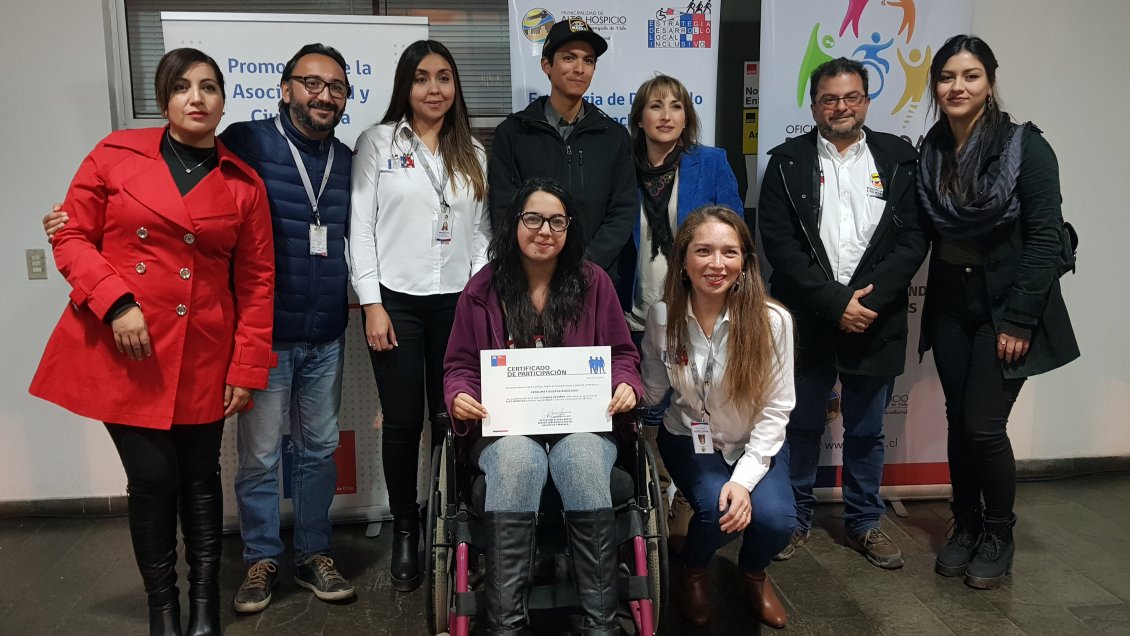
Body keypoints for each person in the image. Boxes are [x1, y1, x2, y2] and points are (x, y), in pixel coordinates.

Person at [43, 43, 357, 612]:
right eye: (311, 82)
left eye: (336, 86)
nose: (323, 94)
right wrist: (108, 289)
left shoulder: (343, 161)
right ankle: (257, 560)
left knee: (314, 451)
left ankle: (309, 555)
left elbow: (272, 268)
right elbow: (80, 231)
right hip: (210, 338)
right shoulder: (243, 144)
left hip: (305, 333)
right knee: (251, 460)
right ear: (283, 89)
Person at [29, 48, 275, 636]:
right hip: (128, 349)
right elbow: (72, 239)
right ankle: (162, 607)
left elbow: (258, 281)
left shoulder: (243, 184)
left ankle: (204, 607)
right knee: (153, 479)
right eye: (184, 87)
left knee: (199, 476)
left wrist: (246, 366)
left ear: (223, 100)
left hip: (205, 352)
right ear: (164, 98)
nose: (198, 97)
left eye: (210, 87)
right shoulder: (113, 156)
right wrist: (117, 303)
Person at [443, 178, 643, 635]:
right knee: (516, 460)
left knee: (580, 457)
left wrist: (626, 384)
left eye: (557, 220)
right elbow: (458, 366)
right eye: (533, 219)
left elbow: (624, 355)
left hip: (584, 427)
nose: (544, 230)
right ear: (514, 224)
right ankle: (506, 625)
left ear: (570, 228)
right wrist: (459, 395)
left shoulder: (595, 284)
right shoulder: (482, 290)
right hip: (506, 430)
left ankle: (600, 625)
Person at [916, 35, 1078, 590]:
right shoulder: (932, 149)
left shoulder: (1025, 148)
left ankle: (999, 533)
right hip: (951, 307)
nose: (957, 87)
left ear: (989, 82)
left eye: (971, 75)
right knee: (957, 425)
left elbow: (1044, 241)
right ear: (934, 85)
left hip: (1003, 310)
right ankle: (964, 525)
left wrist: (1019, 320)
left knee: (984, 427)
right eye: (947, 77)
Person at [758, 57, 928, 569]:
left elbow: (915, 238)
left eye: (851, 97)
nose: (841, 107)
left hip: (876, 319)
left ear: (867, 101)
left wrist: (866, 304)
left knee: (867, 430)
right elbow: (779, 246)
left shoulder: (900, 158)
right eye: (829, 99)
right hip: (809, 316)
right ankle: (796, 518)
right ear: (813, 105)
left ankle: (864, 522)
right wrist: (835, 304)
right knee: (801, 424)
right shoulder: (785, 162)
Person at [349, 39, 490, 592]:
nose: (435, 89)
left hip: (458, 303)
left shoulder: (473, 153)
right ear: (405, 86)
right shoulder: (378, 143)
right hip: (397, 302)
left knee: (452, 417)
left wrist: (479, 296)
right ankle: (406, 528)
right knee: (404, 420)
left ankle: (451, 521)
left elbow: (482, 234)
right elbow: (360, 226)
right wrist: (371, 304)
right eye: (422, 78)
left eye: (445, 78)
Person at [641, 206, 796, 629]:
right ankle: (693, 571)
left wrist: (743, 481)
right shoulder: (661, 317)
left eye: (730, 252)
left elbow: (776, 409)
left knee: (778, 521)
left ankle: (753, 574)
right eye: (703, 251)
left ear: (745, 262)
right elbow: (653, 390)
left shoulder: (773, 321)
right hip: (689, 437)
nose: (716, 264)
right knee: (716, 512)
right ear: (683, 262)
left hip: (753, 442)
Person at [623, 73, 744, 550]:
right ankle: (640, 499)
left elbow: (733, 231)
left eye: (676, 106)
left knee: (690, 403)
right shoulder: (623, 164)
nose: (667, 115)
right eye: (656, 106)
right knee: (641, 406)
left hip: (692, 307)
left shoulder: (709, 162)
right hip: (634, 305)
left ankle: (682, 497)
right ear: (639, 117)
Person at [488, 18, 637, 279]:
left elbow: (622, 212)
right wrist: (540, 266)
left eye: (588, 60)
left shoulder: (613, 136)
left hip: (594, 278)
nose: (580, 68)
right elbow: (504, 210)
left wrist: (585, 266)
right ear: (547, 65)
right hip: (529, 278)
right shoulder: (513, 133)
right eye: (569, 58)